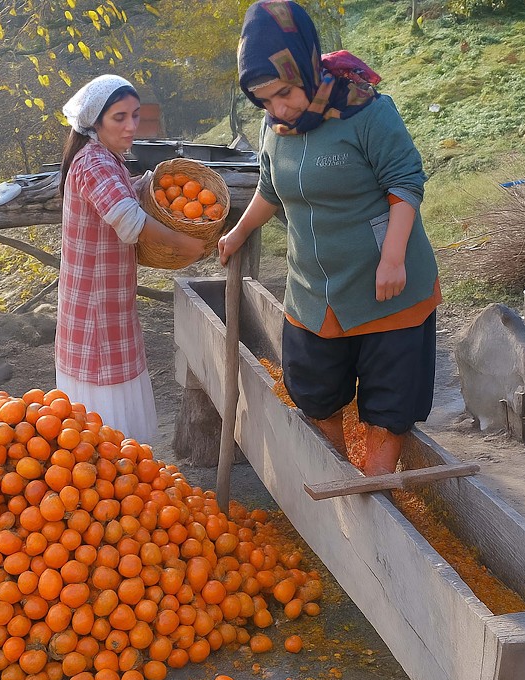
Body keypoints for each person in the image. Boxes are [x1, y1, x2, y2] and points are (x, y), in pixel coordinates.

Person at [219, 1, 441, 476]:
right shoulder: (274, 126)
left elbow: (404, 182)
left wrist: (394, 257)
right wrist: (237, 233)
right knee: (316, 393)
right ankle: (336, 484)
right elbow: (268, 188)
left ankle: (376, 496)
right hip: (313, 292)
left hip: (386, 287)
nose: (278, 108)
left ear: (304, 63)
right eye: (263, 100)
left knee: (388, 403)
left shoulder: (366, 113)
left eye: (283, 91)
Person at [57, 75, 204, 443]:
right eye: (119, 117)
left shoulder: (107, 158)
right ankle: (111, 485)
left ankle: (120, 483)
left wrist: (149, 185)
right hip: (95, 308)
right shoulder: (93, 163)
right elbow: (130, 219)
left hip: (106, 301)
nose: (131, 126)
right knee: (104, 417)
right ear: (95, 121)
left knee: (112, 399)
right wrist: (184, 244)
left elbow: (123, 199)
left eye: (135, 115)